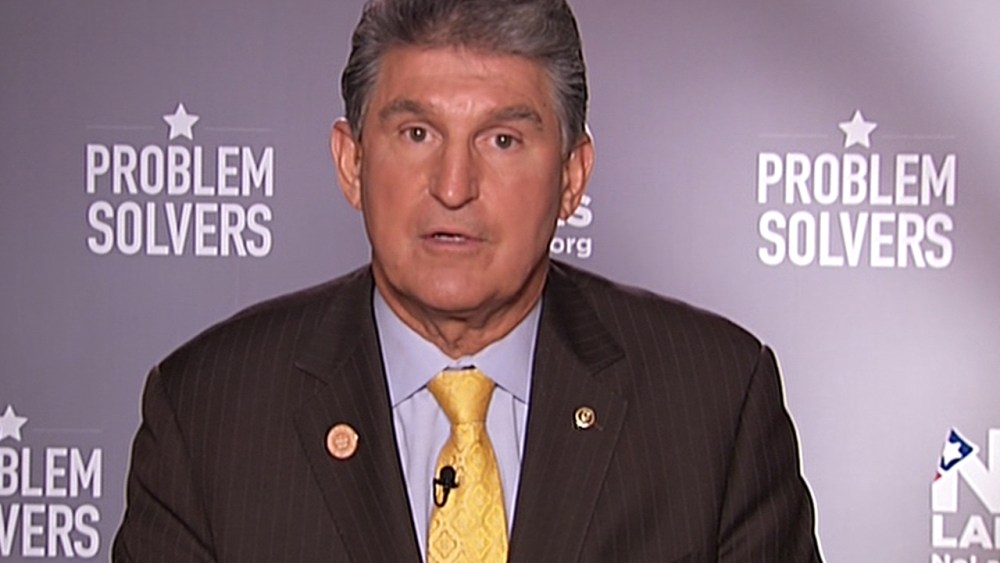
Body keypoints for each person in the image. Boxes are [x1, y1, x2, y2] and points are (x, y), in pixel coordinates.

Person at [113, 0, 822, 561]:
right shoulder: (210, 414)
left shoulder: (713, 403)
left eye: (502, 140)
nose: (453, 186)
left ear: (571, 178)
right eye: (417, 134)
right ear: (352, 163)